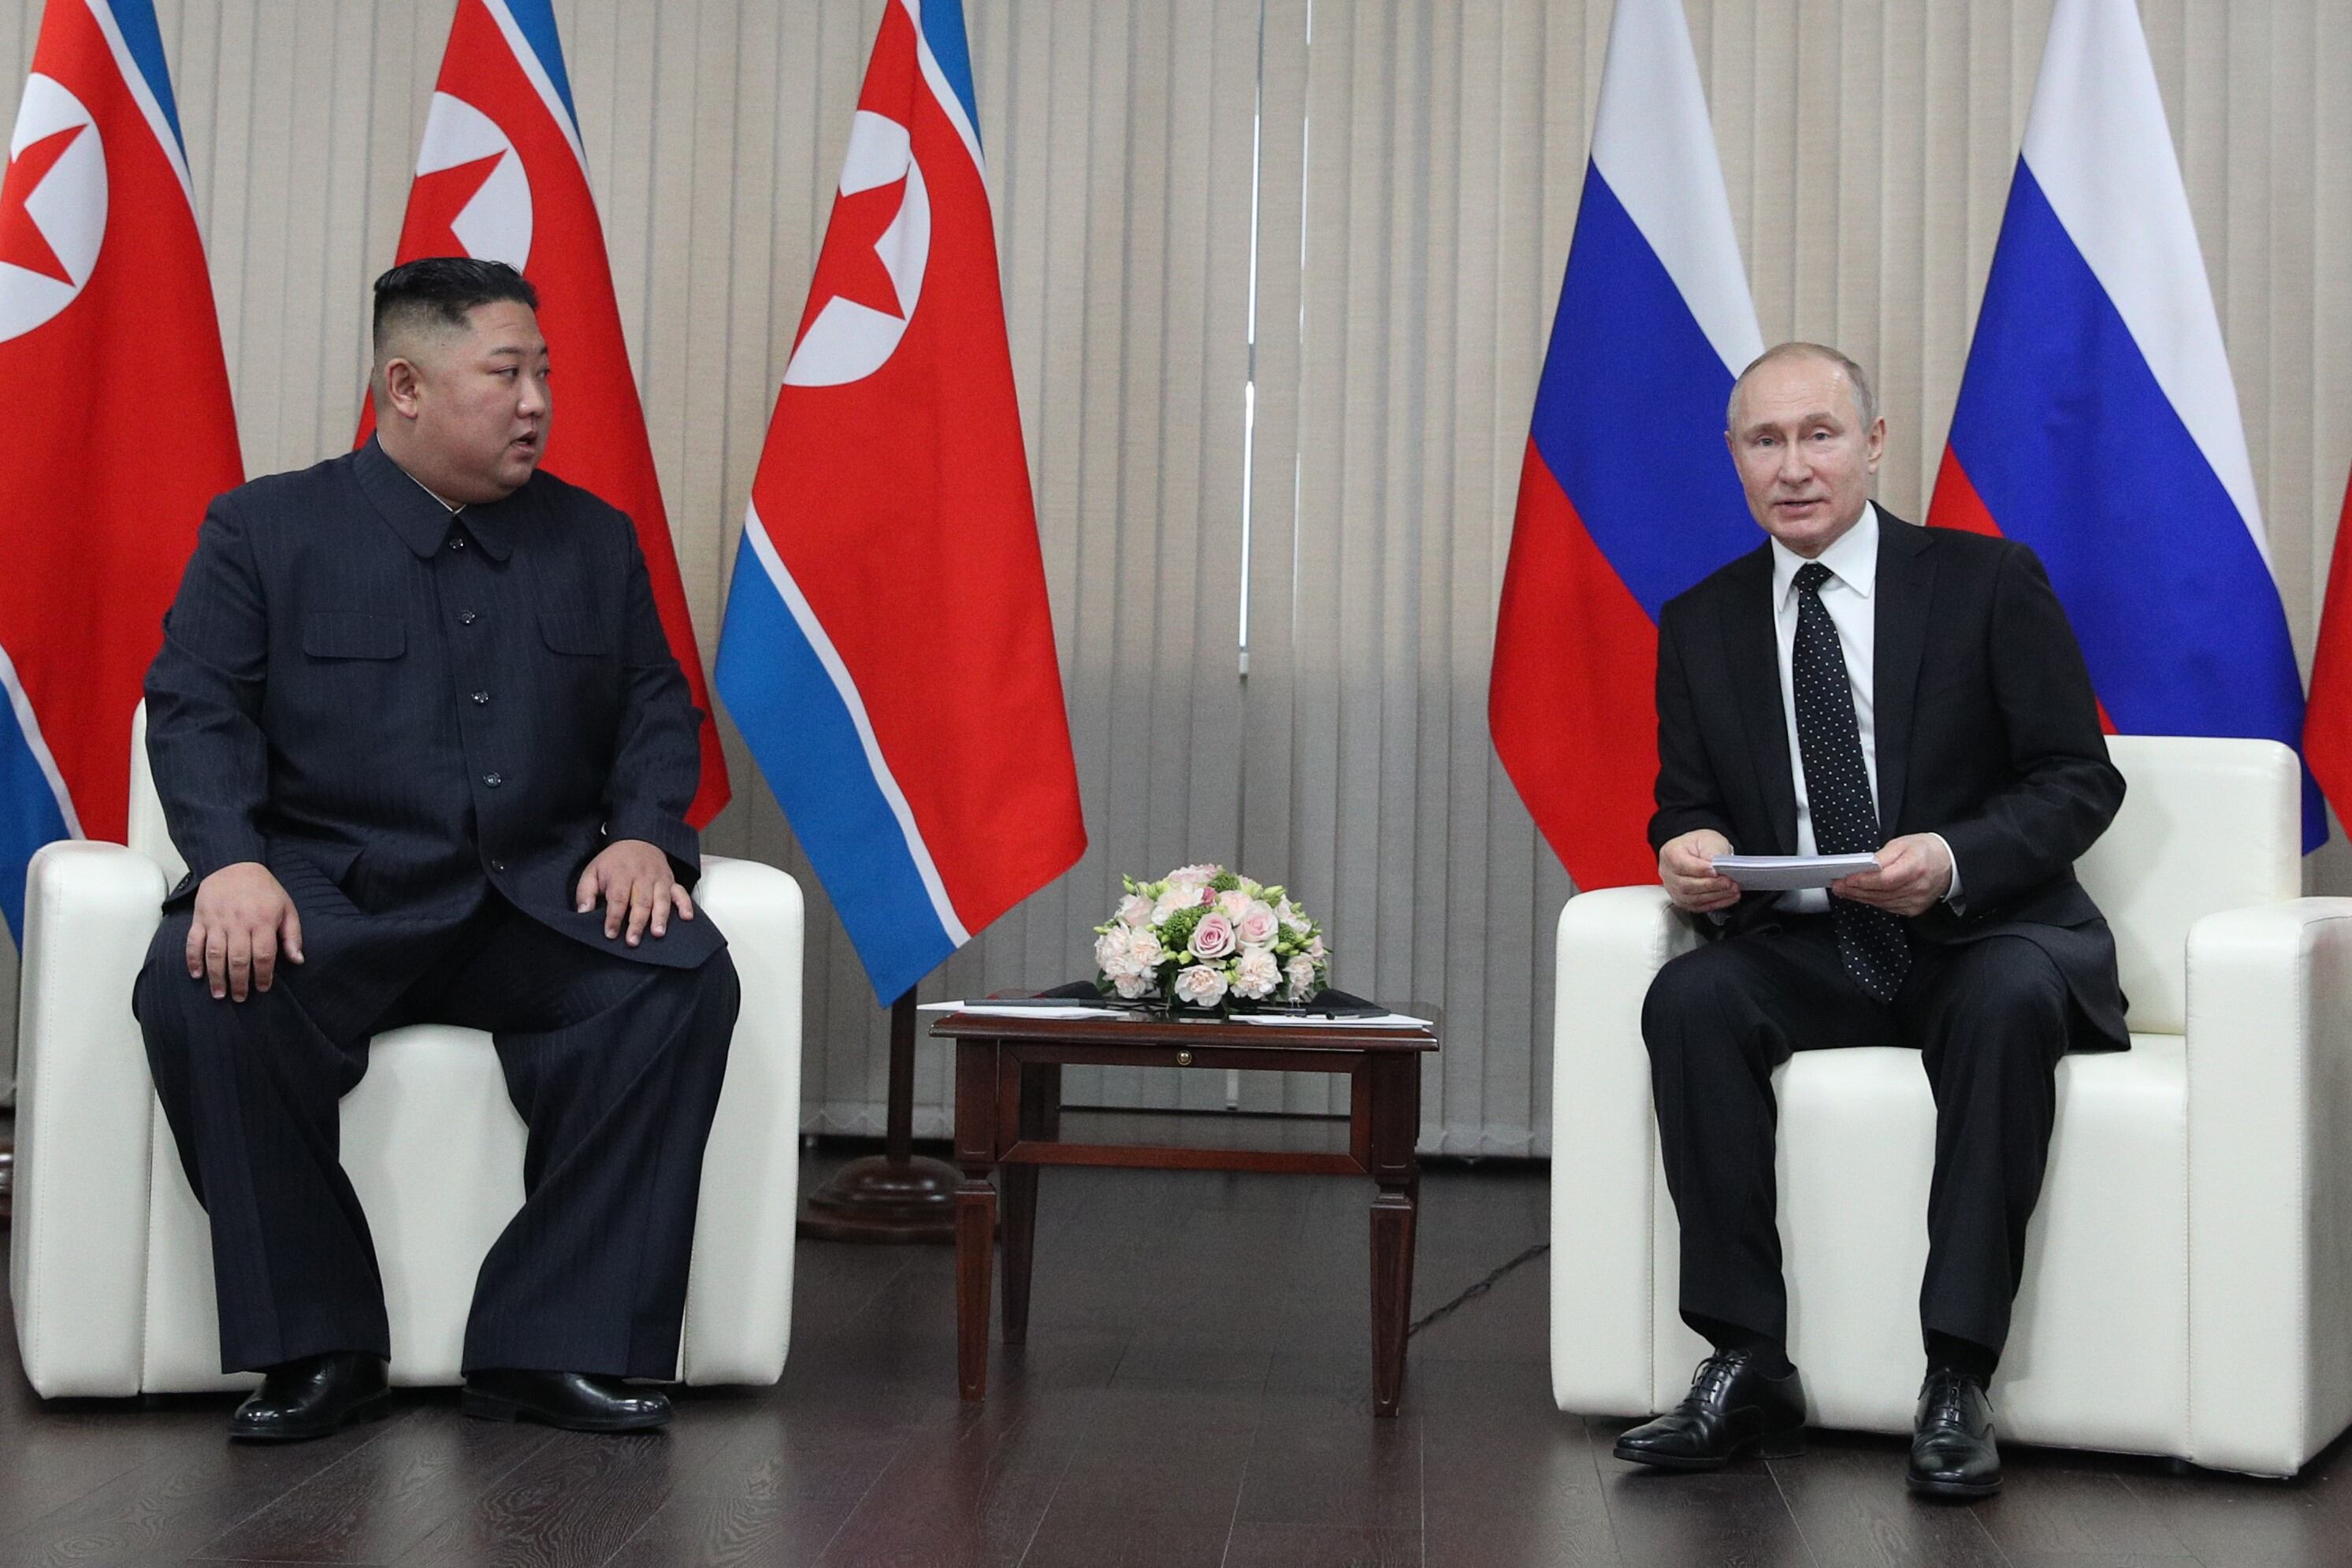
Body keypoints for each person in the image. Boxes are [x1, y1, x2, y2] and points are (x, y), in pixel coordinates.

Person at [135, 257, 739, 1443]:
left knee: (677, 974)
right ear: (404, 385)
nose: (536, 403)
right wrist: (229, 862)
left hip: (536, 907)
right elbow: (194, 703)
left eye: (544, 375)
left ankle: (549, 1341)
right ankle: (318, 1343)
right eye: (505, 374)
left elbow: (659, 710)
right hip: (339, 901)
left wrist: (647, 841)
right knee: (198, 984)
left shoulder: (594, 539)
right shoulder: (265, 528)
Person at [1614, 342, 2126, 1498]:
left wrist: (1951, 858)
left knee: (2003, 998)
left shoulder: (1987, 580)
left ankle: (1955, 1372)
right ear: (1735, 460)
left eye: (1819, 434)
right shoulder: (1699, 620)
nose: (1793, 466)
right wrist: (1683, 847)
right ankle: (1744, 1359)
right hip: (1810, 944)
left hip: (1976, 933)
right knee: (1688, 995)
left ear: (1874, 443)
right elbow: (1686, 798)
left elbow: (2076, 778)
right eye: (1764, 441)